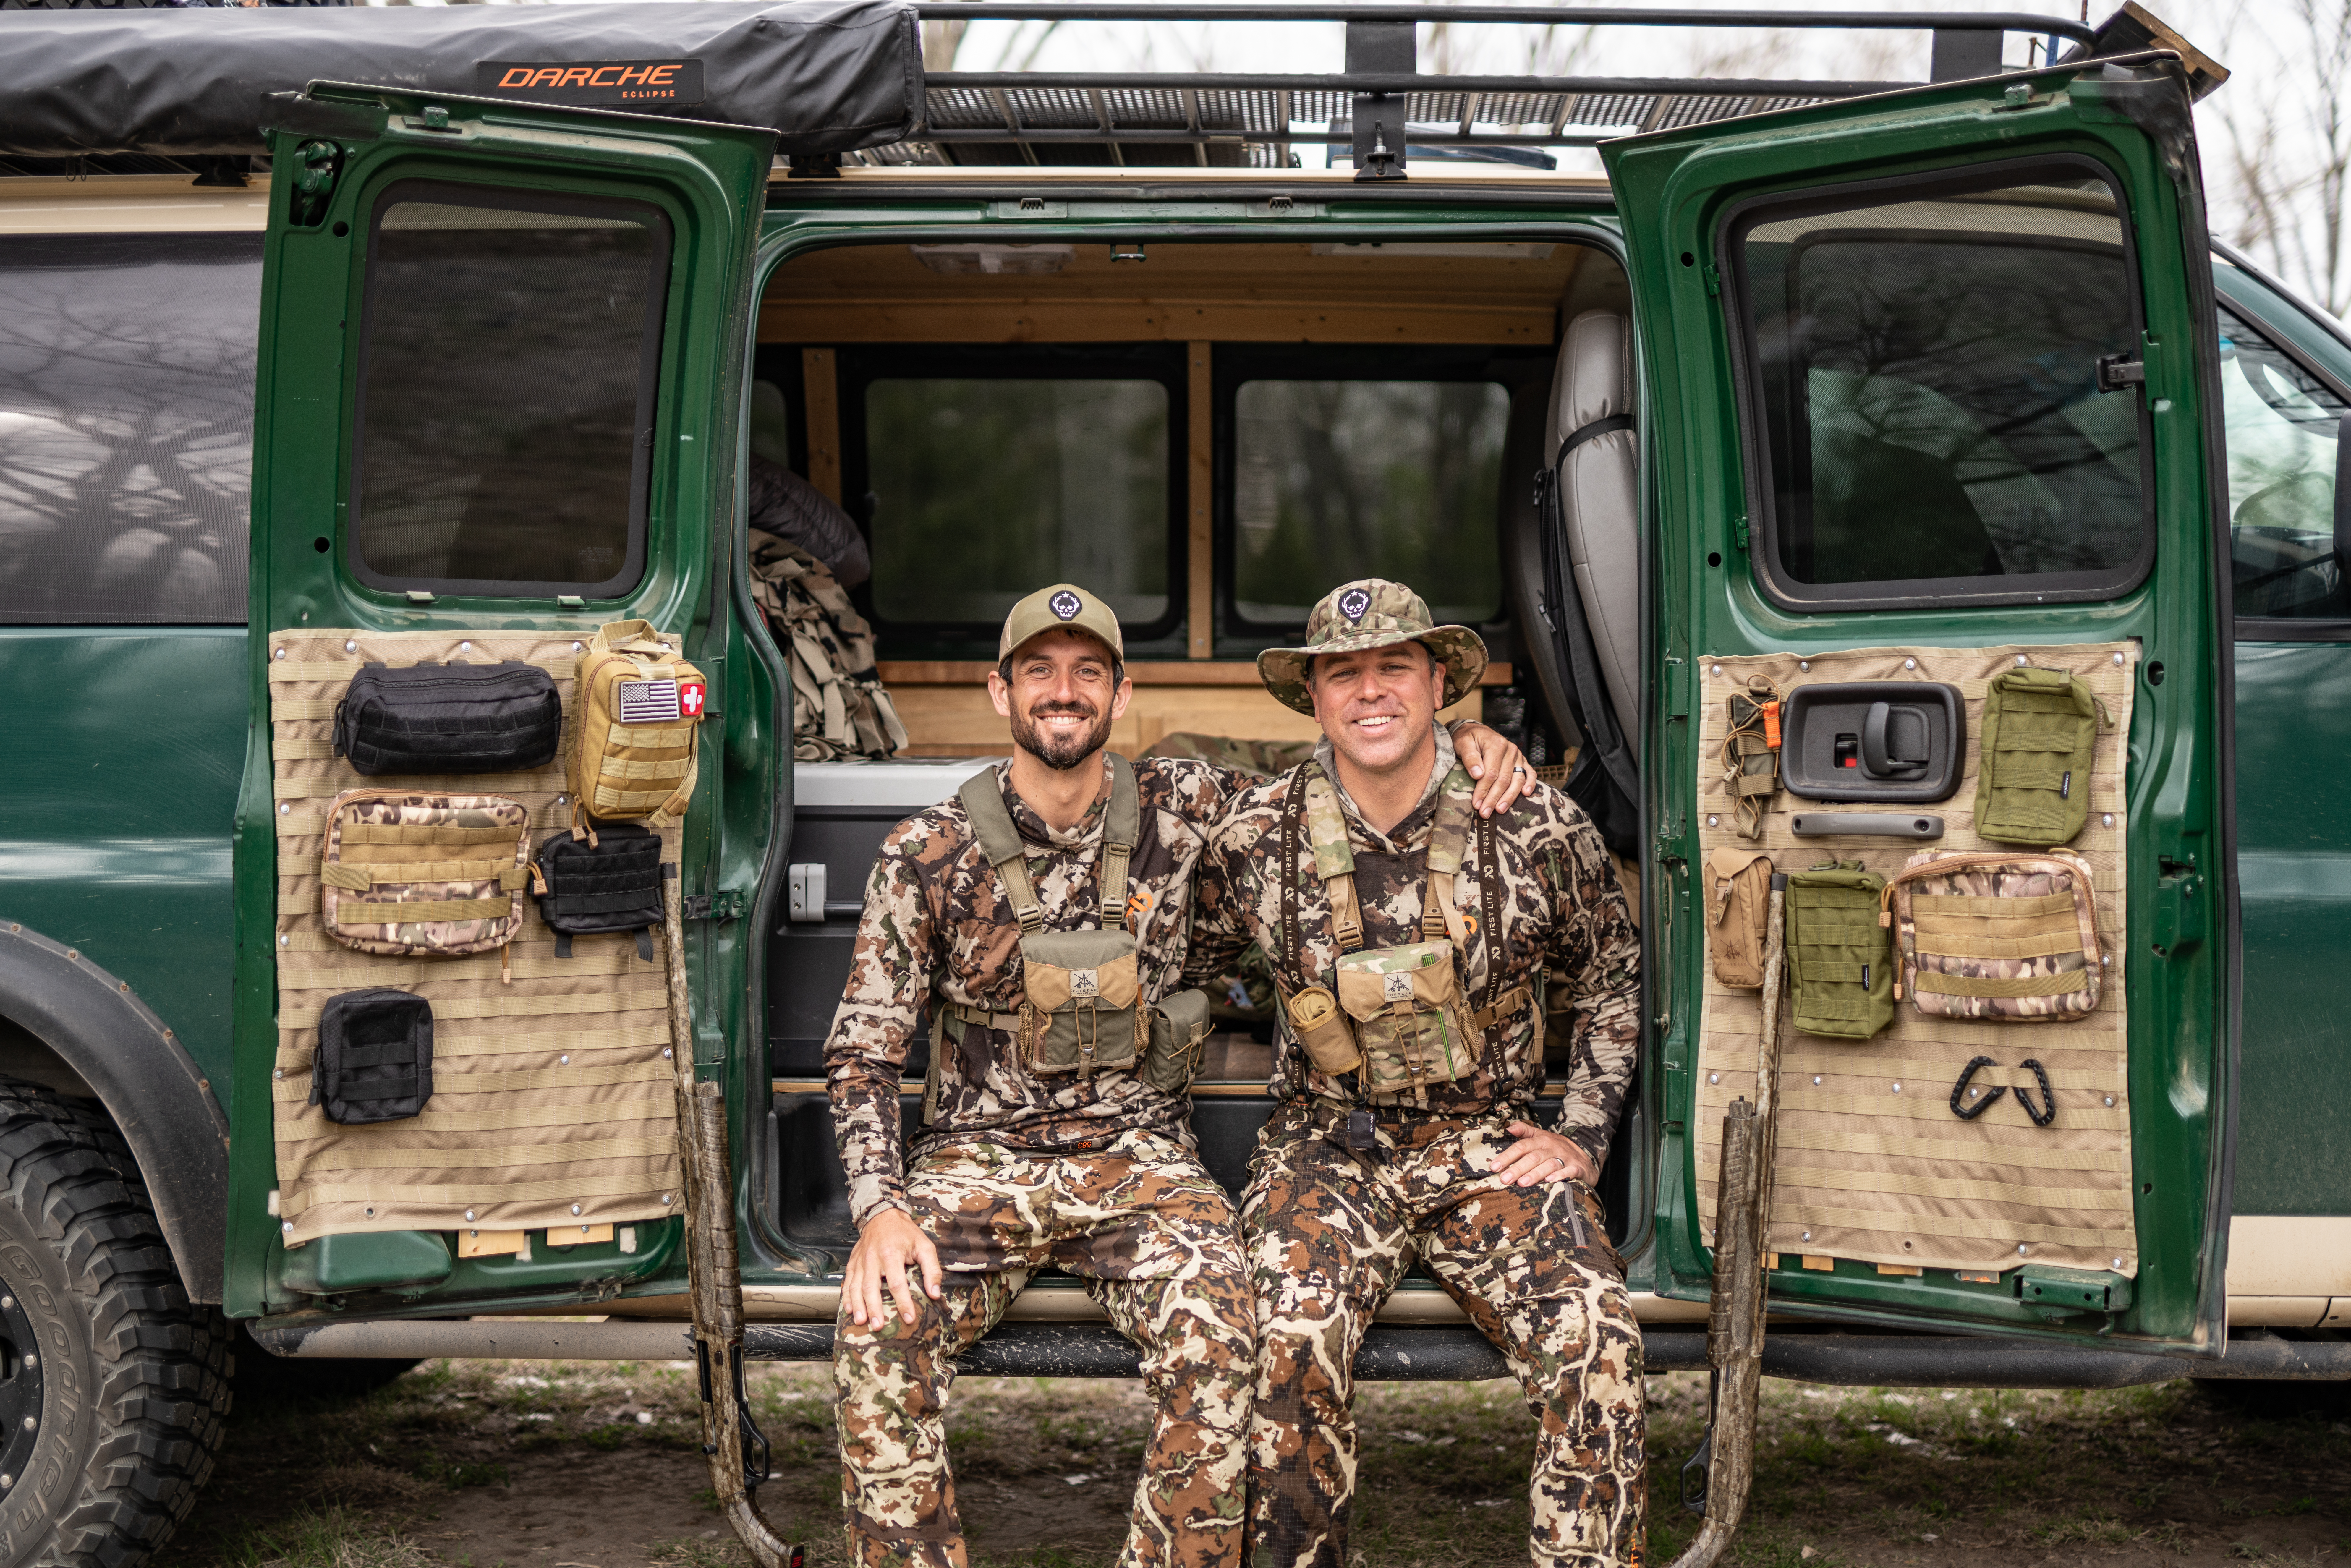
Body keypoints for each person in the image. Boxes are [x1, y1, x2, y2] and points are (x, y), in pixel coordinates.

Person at [824, 582, 1533, 1568]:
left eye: (1087, 673)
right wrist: (881, 1209)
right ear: (1000, 692)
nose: (1062, 692)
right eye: (1039, 672)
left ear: (1121, 694)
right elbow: (863, 1050)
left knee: (1224, 1324)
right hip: (974, 1167)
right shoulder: (927, 851)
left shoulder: (1191, 806)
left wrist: (1466, 743)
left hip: (1142, 1166)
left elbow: (1351, 762)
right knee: (879, 1330)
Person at [1187, 578, 1646, 1568]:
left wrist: (1584, 1133)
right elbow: (1187, 976)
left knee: (1597, 1333)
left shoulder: (1532, 823)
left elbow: (1615, 976)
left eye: (1395, 666)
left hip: (1492, 1147)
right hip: (1327, 1151)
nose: (1371, 692)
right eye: (1343, 673)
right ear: (1314, 697)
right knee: (1289, 1339)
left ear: (1440, 683)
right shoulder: (1254, 837)